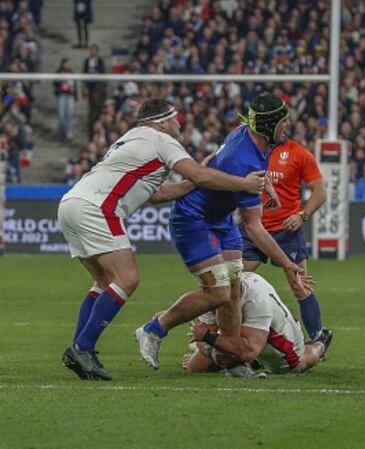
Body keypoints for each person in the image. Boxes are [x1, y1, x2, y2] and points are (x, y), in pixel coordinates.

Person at [58, 98, 266, 380]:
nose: (179, 123)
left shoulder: (128, 139)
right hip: (97, 208)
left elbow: (155, 195)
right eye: (175, 119)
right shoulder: (162, 140)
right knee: (127, 279)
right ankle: (83, 348)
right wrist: (242, 183)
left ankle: (81, 349)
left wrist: (195, 180)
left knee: (104, 282)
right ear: (162, 122)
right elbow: (198, 174)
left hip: (70, 202)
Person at [135, 92, 308, 371]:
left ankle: (233, 362)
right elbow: (255, 228)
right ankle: (154, 328)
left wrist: (268, 186)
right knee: (218, 292)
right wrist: (288, 265)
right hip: (193, 219)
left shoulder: (247, 136)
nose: (287, 127)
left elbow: (222, 159)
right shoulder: (244, 161)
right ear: (267, 125)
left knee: (234, 290)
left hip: (221, 218)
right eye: (283, 122)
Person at [240, 110, 329, 341]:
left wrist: (302, 215)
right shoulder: (253, 150)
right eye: (281, 124)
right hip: (254, 229)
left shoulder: (300, 154)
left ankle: (318, 338)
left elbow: (320, 191)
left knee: (300, 285)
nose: (284, 128)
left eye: (286, 124)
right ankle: (220, 337)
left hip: (287, 231)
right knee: (231, 284)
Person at [183, 272, 332, 377]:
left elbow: (248, 351)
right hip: (251, 334)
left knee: (300, 363)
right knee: (195, 367)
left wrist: (208, 339)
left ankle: (319, 345)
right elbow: (199, 336)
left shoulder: (257, 300)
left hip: (282, 345)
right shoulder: (215, 293)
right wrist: (212, 351)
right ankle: (249, 362)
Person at [82, 44, 106, 139]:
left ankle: (100, 136)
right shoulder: (86, 61)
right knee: (91, 114)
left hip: (99, 90)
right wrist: (84, 87)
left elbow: (103, 73)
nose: (92, 52)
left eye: (94, 50)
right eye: (91, 50)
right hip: (90, 90)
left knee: (99, 112)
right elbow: (84, 74)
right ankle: (91, 136)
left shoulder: (100, 61)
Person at [54, 58, 77, 140]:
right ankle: (62, 131)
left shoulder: (71, 72)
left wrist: (75, 96)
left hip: (70, 95)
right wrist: (62, 81)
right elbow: (54, 83)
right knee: (61, 114)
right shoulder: (58, 72)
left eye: (69, 63)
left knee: (69, 114)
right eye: (66, 63)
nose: (67, 65)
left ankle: (69, 132)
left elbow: (74, 84)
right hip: (61, 95)